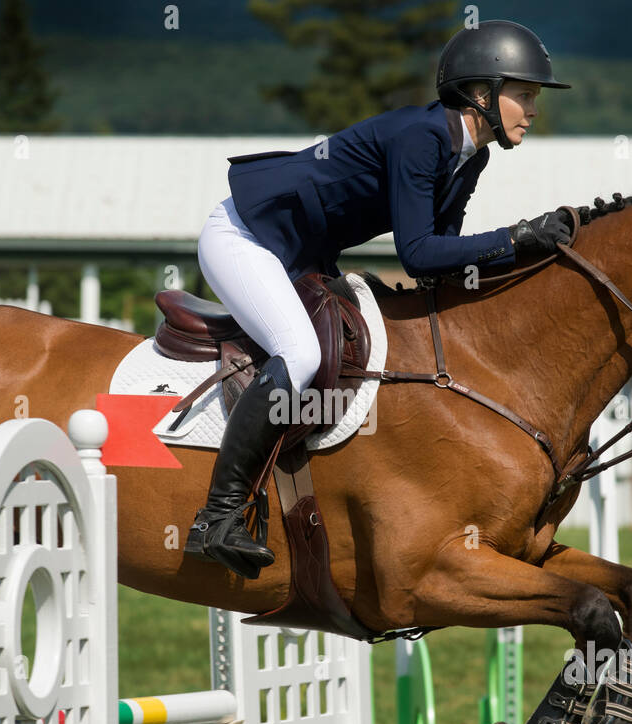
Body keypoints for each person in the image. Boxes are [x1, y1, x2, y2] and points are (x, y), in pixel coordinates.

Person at [186, 19, 575, 578]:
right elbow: (417, 253)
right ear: (483, 95)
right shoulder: (421, 139)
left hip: (302, 255)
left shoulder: (472, 155)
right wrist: (514, 239)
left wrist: (525, 259)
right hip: (245, 237)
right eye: (525, 95)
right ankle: (218, 516)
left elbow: (444, 257)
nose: (533, 110)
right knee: (299, 355)